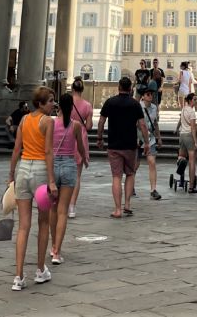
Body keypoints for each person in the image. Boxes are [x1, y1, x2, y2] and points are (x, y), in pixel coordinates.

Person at [9, 86, 58, 291]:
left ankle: (18, 276)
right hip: (39, 172)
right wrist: (52, 181)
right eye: (50, 101)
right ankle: (39, 269)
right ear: (40, 103)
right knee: (44, 222)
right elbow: (48, 152)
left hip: (23, 170)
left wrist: (11, 174)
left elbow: (17, 148)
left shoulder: (24, 119)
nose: (53, 104)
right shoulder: (47, 121)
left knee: (23, 226)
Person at [96, 76, 149, 218]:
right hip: (130, 145)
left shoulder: (110, 102)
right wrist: (147, 142)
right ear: (131, 89)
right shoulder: (135, 104)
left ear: (118, 87)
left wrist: (99, 138)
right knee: (130, 174)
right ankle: (127, 204)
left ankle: (117, 209)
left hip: (114, 145)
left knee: (116, 176)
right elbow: (143, 125)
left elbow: (101, 122)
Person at [49, 92, 87, 266]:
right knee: (63, 210)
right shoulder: (76, 125)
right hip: (69, 166)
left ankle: (52, 245)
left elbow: (47, 148)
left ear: (58, 107)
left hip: (53, 166)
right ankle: (57, 251)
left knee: (52, 209)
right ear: (71, 107)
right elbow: (79, 146)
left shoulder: (51, 123)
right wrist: (85, 158)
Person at [68, 78, 93, 218]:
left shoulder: (66, 102)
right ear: (82, 90)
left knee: (63, 171)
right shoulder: (87, 106)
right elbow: (88, 127)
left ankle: (62, 203)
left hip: (66, 136)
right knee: (77, 175)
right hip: (80, 139)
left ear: (72, 88)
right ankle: (72, 207)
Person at [138, 85, 163, 200]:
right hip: (138, 139)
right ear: (143, 96)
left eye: (151, 94)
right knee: (135, 165)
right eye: (148, 94)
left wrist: (158, 137)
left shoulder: (154, 107)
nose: (150, 96)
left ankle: (153, 189)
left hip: (151, 139)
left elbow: (155, 123)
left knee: (152, 162)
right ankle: (130, 185)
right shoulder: (138, 107)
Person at [176, 91, 197, 193]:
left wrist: (177, 129)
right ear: (190, 101)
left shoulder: (184, 109)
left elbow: (181, 122)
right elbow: (193, 128)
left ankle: (180, 162)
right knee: (192, 162)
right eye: (194, 99)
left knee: (181, 156)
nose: (196, 101)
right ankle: (191, 186)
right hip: (189, 136)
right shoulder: (192, 112)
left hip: (182, 135)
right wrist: (196, 141)